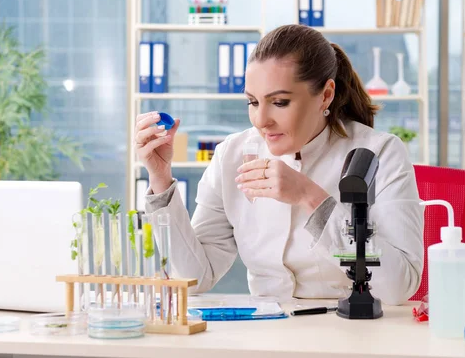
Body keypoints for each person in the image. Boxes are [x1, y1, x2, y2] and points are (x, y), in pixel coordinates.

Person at [134, 24, 423, 305]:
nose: (261, 120)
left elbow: (398, 287)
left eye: (280, 102)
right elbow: (194, 278)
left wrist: (311, 198)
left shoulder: (379, 152)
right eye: (253, 102)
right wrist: (160, 179)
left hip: (351, 330)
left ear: (325, 94)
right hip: (267, 330)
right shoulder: (232, 156)